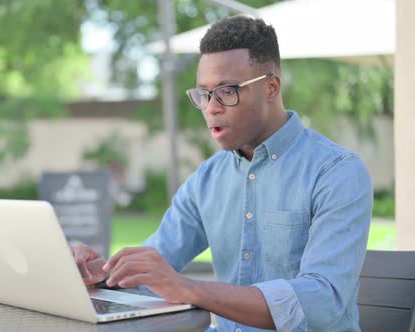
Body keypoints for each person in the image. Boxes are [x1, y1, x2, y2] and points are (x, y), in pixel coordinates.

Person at [72, 15, 372, 332]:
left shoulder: (337, 172)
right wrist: (98, 273)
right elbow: (152, 269)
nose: (211, 107)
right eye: (204, 94)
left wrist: (189, 288)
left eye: (227, 91)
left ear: (271, 87)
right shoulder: (207, 180)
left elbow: (322, 302)